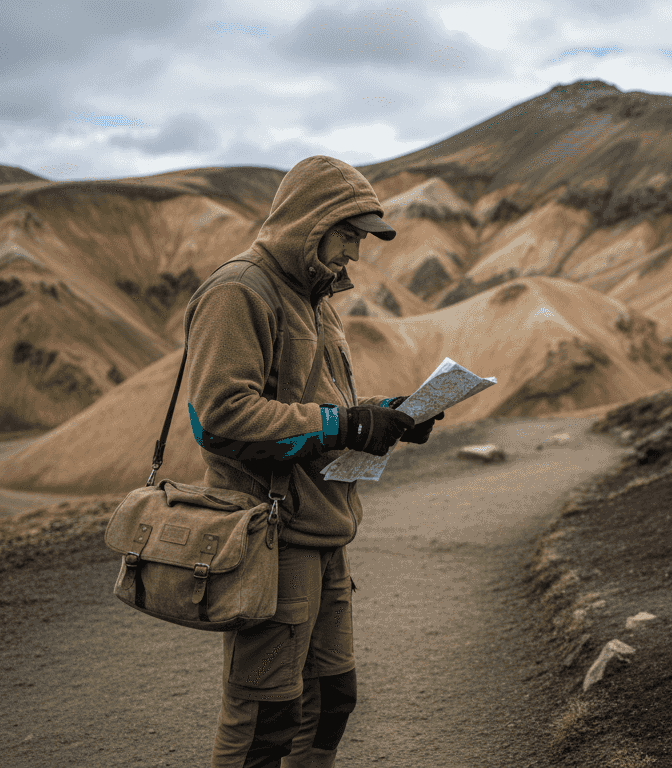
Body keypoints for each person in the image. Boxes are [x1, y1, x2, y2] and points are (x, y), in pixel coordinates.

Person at [182, 155, 443, 767]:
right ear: (311, 221)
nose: (355, 251)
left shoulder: (314, 297)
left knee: (331, 701)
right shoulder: (239, 290)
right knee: (264, 720)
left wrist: (387, 416)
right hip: (270, 535)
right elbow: (219, 416)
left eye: (362, 238)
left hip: (322, 527)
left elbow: (317, 406)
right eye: (349, 233)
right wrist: (344, 423)